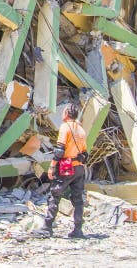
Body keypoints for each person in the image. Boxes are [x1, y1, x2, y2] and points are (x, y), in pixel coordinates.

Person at [40, 102, 88, 238]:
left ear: (66, 113)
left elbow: (59, 150)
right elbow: (85, 153)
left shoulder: (65, 127)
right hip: (79, 167)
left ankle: (47, 227)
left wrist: (52, 166)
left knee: (55, 195)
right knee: (78, 199)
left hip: (67, 166)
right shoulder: (81, 130)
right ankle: (78, 229)